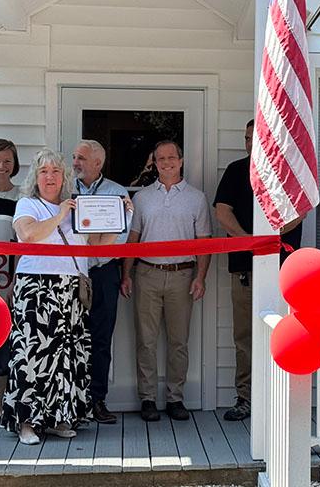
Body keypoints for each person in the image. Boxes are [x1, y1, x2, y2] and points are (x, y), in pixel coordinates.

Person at [2, 148, 115, 446]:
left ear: (63, 177)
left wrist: (121, 218)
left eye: (55, 171)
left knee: (67, 356)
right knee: (31, 356)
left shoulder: (77, 206)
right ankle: (27, 422)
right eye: (43, 171)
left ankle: (58, 418)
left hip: (70, 289)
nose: (50, 177)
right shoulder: (28, 204)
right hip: (36, 289)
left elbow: (99, 246)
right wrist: (62, 214)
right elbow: (28, 235)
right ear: (35, 177)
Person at [213, 119, 303, 421]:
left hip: (283, 272)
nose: (250, 143)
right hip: (244, 271)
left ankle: (280, 402)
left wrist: (270, 239)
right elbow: (222, 212)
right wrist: (247, 241)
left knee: (283, 335)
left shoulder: (287, 171)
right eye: (246, 137)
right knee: (245, 337)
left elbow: (300, 210)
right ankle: (247, 397)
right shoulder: (236, 170)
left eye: (255, 138)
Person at [121, 141, 212, 422]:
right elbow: (133, 240)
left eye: (172, 157)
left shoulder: (196, 198)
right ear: (155, 162)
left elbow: (204, 243)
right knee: (146, 341)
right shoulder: (142, 198)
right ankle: (147, 399)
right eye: (161, 158)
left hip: (182, 276)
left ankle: (175, 398)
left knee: (178, 342)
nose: (166, 162)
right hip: (146, 274)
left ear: (181, 160)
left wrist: (200, 277)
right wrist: (126, 274)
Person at [72, 140, 133, 424]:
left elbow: (117, 238)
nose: (75, 162)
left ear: (98, 163)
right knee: (68, 337)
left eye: (81, 158)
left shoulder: (117, 194)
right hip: (71, 272)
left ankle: (97, 400)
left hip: (105, 272)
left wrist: (94, 245)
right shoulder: (63, 191)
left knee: (100, 339)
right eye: (74, 157)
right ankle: (70, 402)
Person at [0, 138, 21, 423]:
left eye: (7, 161)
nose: (1, 166)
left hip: (7, 281)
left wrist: (14, 285)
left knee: (3, 346)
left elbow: (23, 244)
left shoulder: (19, 198)